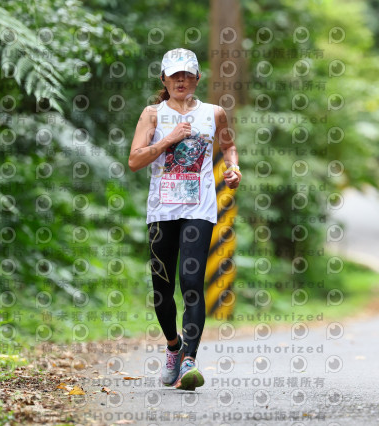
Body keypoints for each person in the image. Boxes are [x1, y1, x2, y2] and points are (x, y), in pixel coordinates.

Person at [128, 48, 241, 391]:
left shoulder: (213, 113)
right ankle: (174, 347)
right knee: (161, 290)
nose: (181, 80)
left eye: (187, 75)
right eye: (174, 75)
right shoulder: (152, 114)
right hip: (162, 211)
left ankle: (190, 361)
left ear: (197, 79)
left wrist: (234, 168)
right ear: (163, 79)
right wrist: (169, 139)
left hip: (199, 210)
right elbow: (134, 161)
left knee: (191, 282)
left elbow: (228, 146)